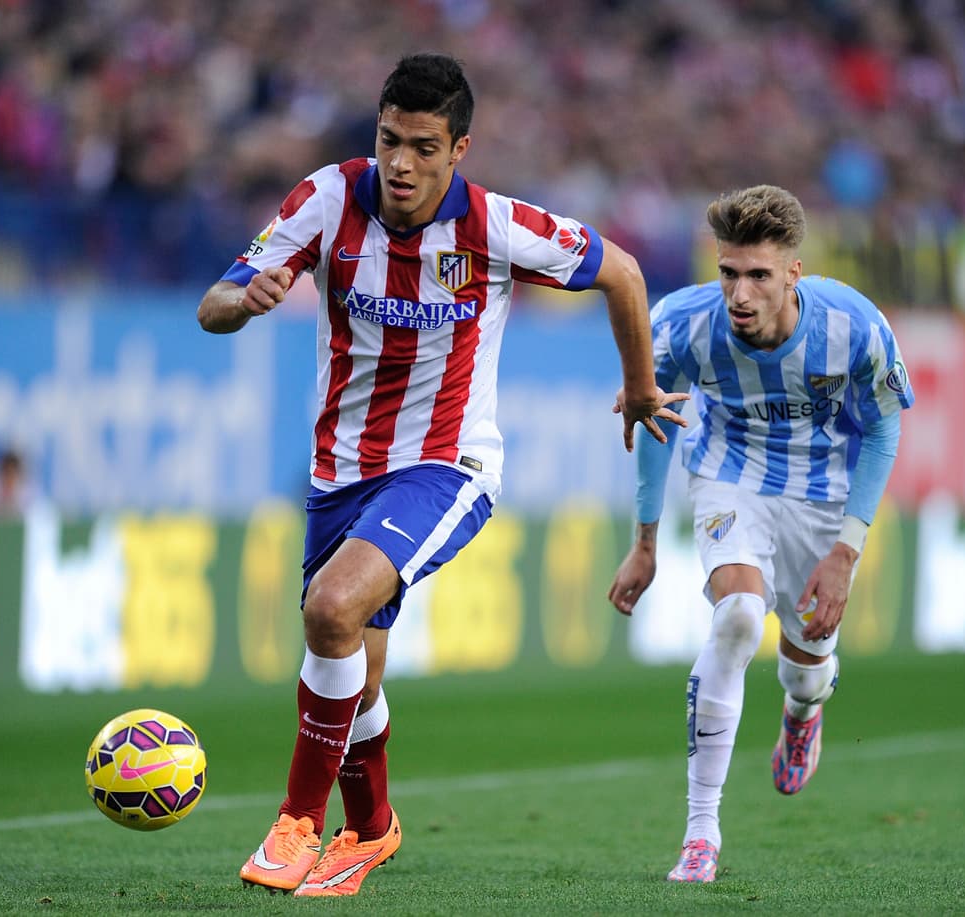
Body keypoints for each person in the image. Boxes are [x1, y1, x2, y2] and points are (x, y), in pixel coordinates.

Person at [197, 52, 686, 898]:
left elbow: (624, 272)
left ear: (459, 148)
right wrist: (245, 301)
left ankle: (296, 825)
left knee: (329, 608)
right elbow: (213, 304)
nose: (400, 164)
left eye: (424, 146)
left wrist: (640, 386)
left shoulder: (495, 226)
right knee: (355, 667)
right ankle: (373, 826)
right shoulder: (325, 198)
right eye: (390, 140)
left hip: (446, 463)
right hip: (339, 472)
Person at [608, 184, 914, 883]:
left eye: (758, 276)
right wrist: (646, 541)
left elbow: (885, 425)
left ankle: (804, 710)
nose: (739, 294)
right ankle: (700, 832)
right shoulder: (683, 324)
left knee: (805, 671)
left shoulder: (854, 326)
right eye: (728, 273)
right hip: (729, 477)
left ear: (793, 274)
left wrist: (846, 550)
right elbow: (656, 417)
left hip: (824, 497)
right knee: (740, 616)